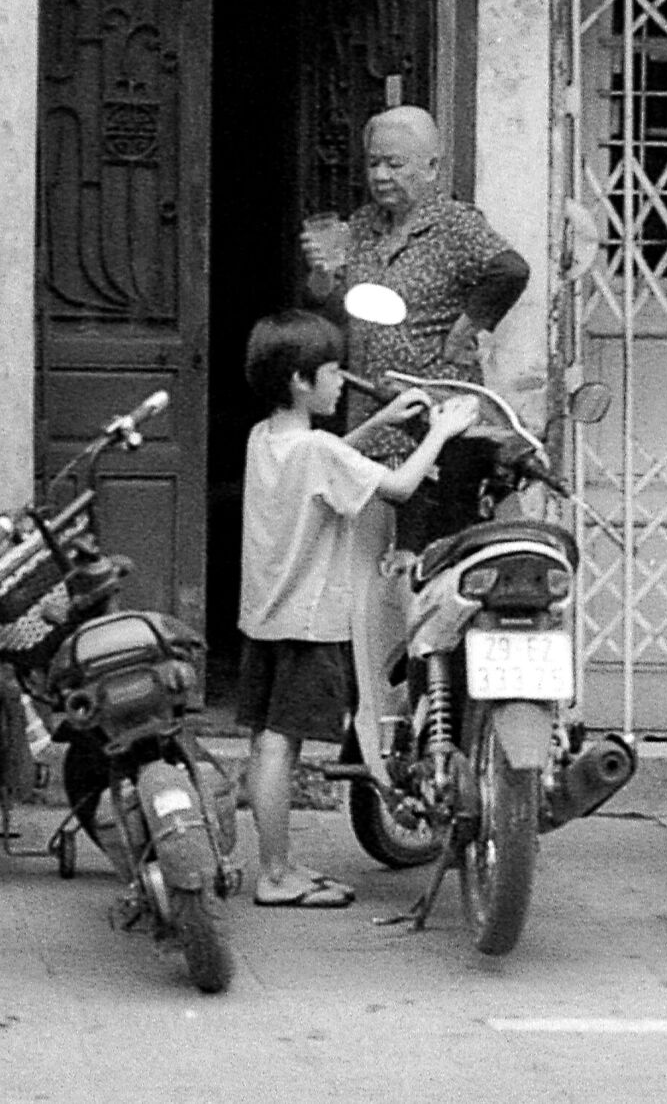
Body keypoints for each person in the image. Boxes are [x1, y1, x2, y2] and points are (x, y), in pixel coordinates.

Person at [238, 308, 476, 909]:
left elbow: (325, 464)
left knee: (269, 741)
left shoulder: (267, 439)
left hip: (267, 614)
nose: (342, 382)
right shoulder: (315, 448)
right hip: (309, 618)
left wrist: (378, 422)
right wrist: (439, 433)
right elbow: (396, 488)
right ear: (300, 380)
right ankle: (273, 875)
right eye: (333, 372)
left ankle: (279, 864)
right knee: (279, 745)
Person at [301, 104, 529, 552]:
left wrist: (467, 329)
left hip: (431, 422)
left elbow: (510, 270)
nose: (381, 175)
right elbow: (333, 307)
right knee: (372, 558)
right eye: (373, 163)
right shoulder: (363, 224)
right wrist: (323, 274)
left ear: (431, 167)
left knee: (427, 548)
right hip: (372, 412)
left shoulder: (455, 224)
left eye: (395, 163)